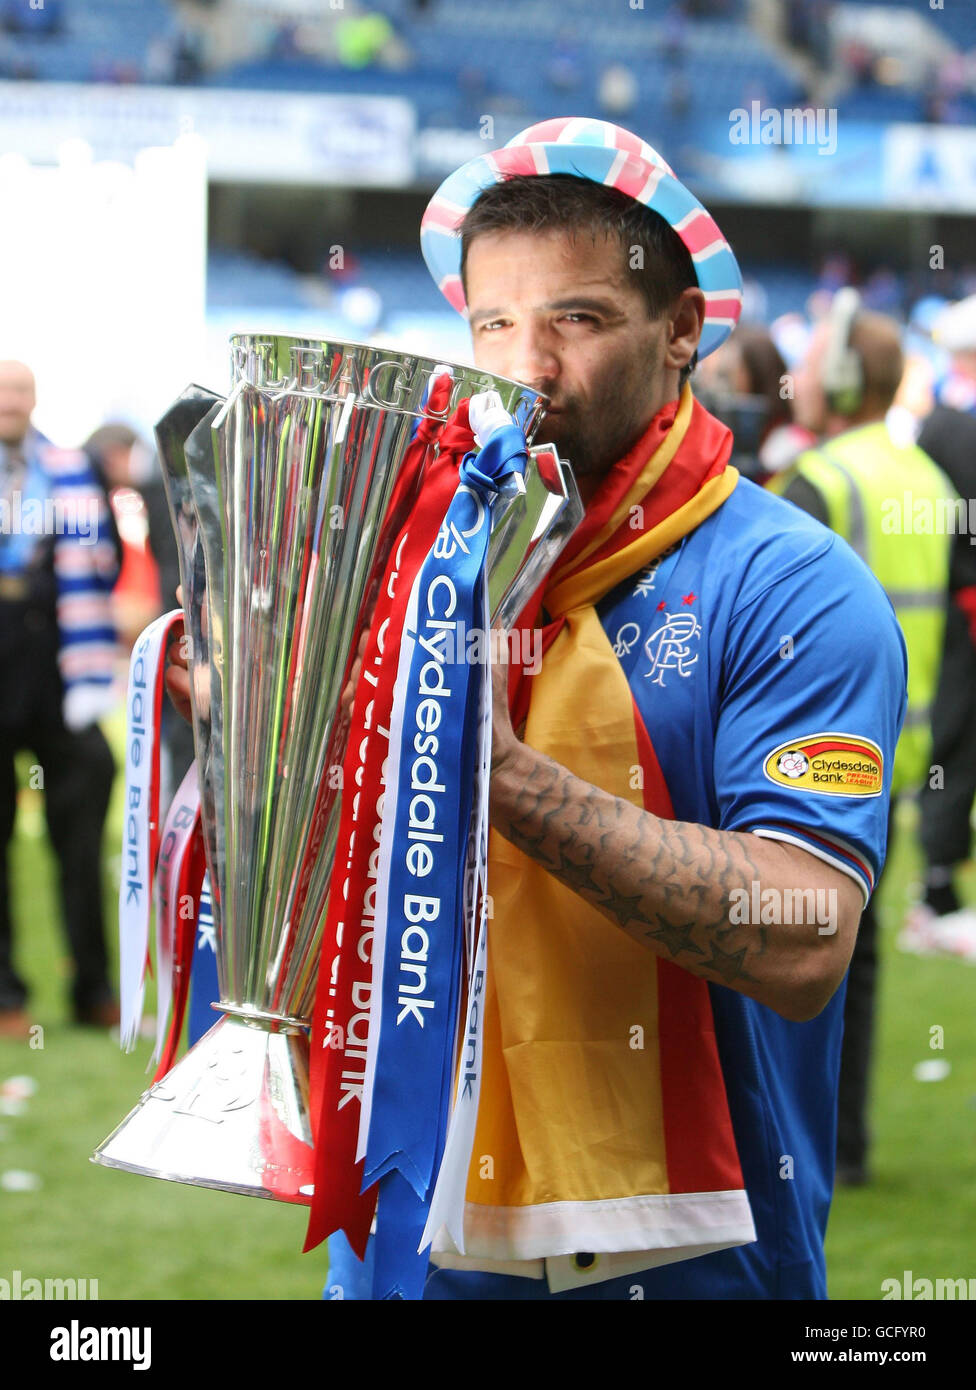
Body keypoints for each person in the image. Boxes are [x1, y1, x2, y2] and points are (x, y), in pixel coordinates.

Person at [168, 120, 907, 1299]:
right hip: (400, 1244)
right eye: (494, 325)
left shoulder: (792, 586)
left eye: (577, 317)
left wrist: (493, 771)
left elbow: (804, 936)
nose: (525, 371)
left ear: (680, 331)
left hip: (694, 1260)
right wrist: (258, 736)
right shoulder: (402, 560)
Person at [769, 292, 956, 1185]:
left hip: (813, 758)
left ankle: (801, 1146)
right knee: (862, 956)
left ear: (841, 379)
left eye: (808, 365)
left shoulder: (821, 479)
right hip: (901, 759)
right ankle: (846, 1147)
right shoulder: (926, 478)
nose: (794, 379)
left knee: (792, 952)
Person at [0, 361, 121, 1036]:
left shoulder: (71, 468)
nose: (11, 402)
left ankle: (92, 988)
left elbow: (108, 556)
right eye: (2, 392)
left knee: (80, 828)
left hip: (57, 659)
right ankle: (5, 996)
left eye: (19, 391)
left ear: (34, 399)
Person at [900, 293, 976, 962]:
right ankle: (937, 890)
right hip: (960, 606)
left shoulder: (936, 425)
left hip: (955, 600)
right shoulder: (948, 426)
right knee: (954, 739)